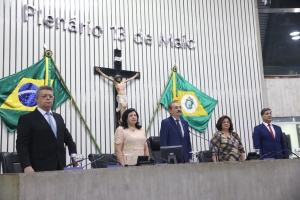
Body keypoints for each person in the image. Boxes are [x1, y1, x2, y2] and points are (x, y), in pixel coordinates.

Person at [16, 85, 77, 172]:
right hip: (38, 167)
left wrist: (73, 155)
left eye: (50, 96)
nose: (48, 98)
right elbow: (22, 145)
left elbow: (68, 139)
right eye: (44, 96)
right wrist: (26, 166)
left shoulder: (58, 117)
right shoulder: (27, 119)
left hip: (60, 166)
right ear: (37, 99)